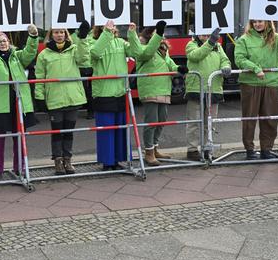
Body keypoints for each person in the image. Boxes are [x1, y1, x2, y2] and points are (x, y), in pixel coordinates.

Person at [0, 24, 39, 181]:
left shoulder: (17, 56)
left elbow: (30, 53)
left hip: (18, 101)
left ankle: (19, 167)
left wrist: (33, 37)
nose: (3, 43)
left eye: (5, 40)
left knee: (19, 137)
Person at [35, 21, 91, 175]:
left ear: (66, 35)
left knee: (68, 131)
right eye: (56, 32)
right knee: (57, 132)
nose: (59, 35)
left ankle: (68, 160)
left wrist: (83, 38)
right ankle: (58, 161)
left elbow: (84, 59)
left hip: (73, 98)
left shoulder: (74, 50)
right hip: (54, 99)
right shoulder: (44, 54)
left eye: (62, 32)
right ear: (50, 35)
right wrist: (39, 97)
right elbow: (39, 77)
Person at [130, 20, 187, 166]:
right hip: (150, 88)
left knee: (161, 119)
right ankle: (148, 152)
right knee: (151, 121)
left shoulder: (162, 49)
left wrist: (179, 68)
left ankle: (155, 148)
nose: (161, 36)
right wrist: (158, 34)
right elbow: (147, 54)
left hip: (163, 88)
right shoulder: (144, 48)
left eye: (160, 33)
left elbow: (169, 64)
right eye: (156, 33)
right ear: (150, 36)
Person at [90, 20, 137, 170]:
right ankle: (107, 162)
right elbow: (96, 53)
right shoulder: (93, 42)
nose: (113, 28)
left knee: (120, 129)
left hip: (120, 91)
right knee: (106, 131)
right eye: (109, 26)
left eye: (114, 26)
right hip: (104, 92)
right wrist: (107, 33)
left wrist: (132, 33)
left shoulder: (121, 42)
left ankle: (117, 160)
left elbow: (137, 52)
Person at [234, 20, 278, 160]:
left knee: (270, 118)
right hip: (250, 83)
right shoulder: (244, 39)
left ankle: (266, 150)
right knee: (249, 119)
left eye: (260, 21)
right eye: (254, 22)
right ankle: (250, 150)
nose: (257, 24)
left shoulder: (276, 37)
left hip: (271, 82)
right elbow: (239, 59)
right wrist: (256, 69)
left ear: (268, 22)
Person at [184, 28, 232, 161]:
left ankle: (207, 147)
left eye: (207, 31)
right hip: (196, 88)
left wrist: (226, 67)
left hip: (214, 88)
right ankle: (192, 150)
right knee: (194, 122)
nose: (205, 34)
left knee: (209, 122)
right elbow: (196, 55)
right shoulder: (191, 44)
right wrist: (210, 42)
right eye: (202, 31)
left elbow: (225, 60)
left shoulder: (218, 46)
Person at [72, 28, 94, 119]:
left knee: (88, 91)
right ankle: (90, 111)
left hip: (89, 66)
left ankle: (90, 111)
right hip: (83, 66)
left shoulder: (73, 36)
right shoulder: (93, 35)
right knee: (86, 91)